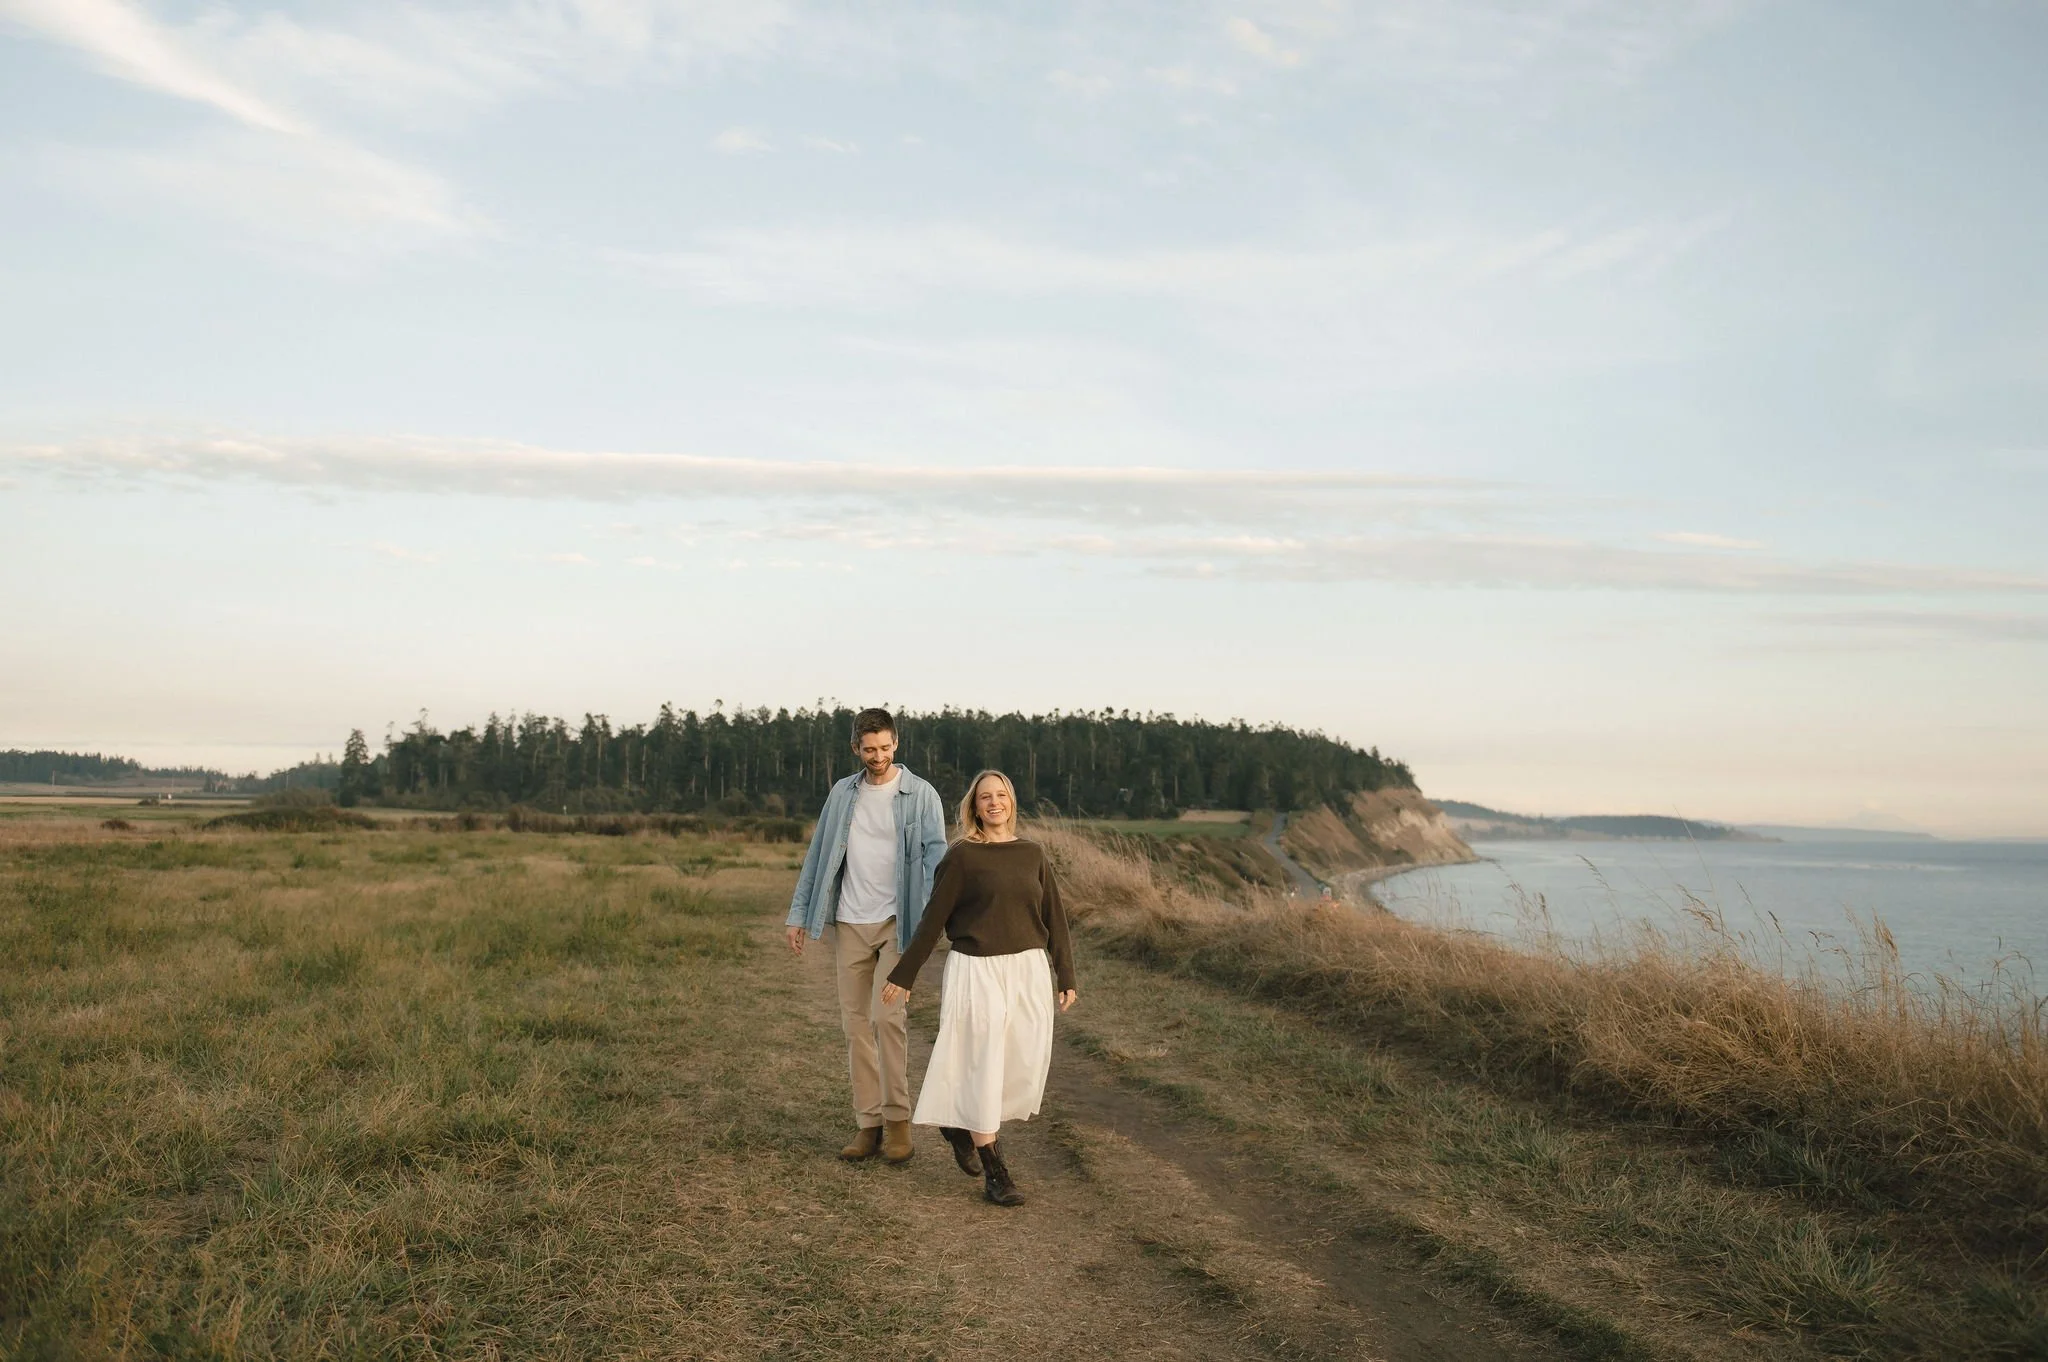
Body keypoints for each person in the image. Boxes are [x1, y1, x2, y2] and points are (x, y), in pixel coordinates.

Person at [881, 769, 1077, 1206]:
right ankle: (996, 1172)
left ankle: (959, 1124)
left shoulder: (1033, 853)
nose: (994, 803)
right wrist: (904, 973)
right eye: (985, 797)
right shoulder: (963, 857)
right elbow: (933, 921)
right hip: (977, 970)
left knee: (1018, 1062)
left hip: (1027, 969)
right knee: (985, 1063)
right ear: (975, 806)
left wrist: (1066, 974)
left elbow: (1054, 916)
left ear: (1011, 801)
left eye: (1001, 795)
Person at [785, 708, 950, 1164]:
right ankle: (868, 1124)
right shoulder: (842, 793)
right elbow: (818, 855)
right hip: (851, 922)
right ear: (855, 749)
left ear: (896, 743)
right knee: (855, 1025)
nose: (877, 756)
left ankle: (899, 1121)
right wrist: (798, 915)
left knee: (886, 1019)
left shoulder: (921, 795)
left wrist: (935, 921)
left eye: (884, 747)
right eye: (868, 749)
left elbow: (938, 863)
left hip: (899, 921)